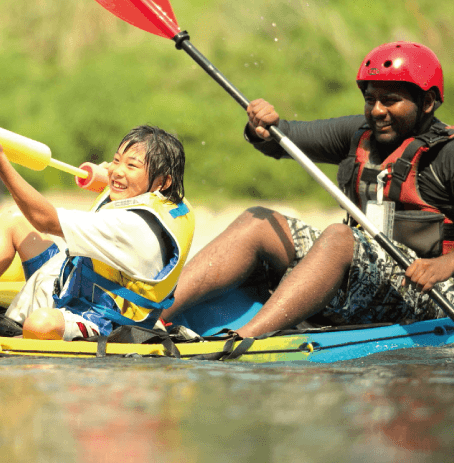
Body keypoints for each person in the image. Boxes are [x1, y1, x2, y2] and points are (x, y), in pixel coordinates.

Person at [161, 41, 454, 338]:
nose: (377, 111)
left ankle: (245, 338)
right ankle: (153, 317)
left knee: (339, 237)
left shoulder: (447, 154)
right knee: (257, 221)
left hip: (431, 294)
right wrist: (263, 127)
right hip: (364, 278)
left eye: (390, 101)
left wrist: (442, 266)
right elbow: (282, 139)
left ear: (427, 103)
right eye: (370, 100)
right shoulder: (359, 135)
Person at [0, 125, 195, 340]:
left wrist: (0, 164)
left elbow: (45, 220)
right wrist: (105, 178)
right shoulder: (170, 201)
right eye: (117, 160)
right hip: (71, 284)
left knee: (40, 324)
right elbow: (123, 179)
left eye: (132, 165)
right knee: (15, 221)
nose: (118, 171)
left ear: (163, 181)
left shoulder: (130, 226)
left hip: (101, 320)